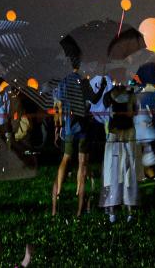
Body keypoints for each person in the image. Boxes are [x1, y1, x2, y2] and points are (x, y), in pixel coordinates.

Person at [51, 38, 95, 215]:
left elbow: (59, 106)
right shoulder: (83, 82)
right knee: (82, 162)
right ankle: (79, 192)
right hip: (83, 126)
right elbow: (92, 100)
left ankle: (59, 191)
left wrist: (58, 127)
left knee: (66, 158)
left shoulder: (64, 82)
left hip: (69, 126)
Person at [100, 81, 140, 221]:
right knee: (127, 170)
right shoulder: (131, 95)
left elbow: (104, 108)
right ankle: (129, 210)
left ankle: (112, 211)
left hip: (114, 134)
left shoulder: (109, 95)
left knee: (112, 171)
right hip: (128, 133)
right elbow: (135, 111)